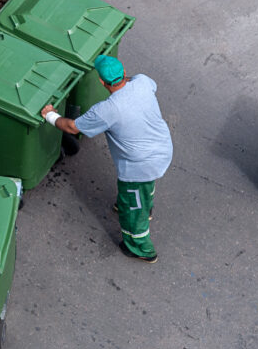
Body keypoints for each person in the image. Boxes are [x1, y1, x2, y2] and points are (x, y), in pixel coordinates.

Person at [41, 55, 172, 264]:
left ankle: (141, 247)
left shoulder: (107, 110)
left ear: (101, 82)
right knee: (144, 187)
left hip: (140, 165)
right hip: (161, 148)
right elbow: (145, 87)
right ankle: (142, 208)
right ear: (124, 71)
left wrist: (50, 115)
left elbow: (71, 127)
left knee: (133, 208)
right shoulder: (143, 82)